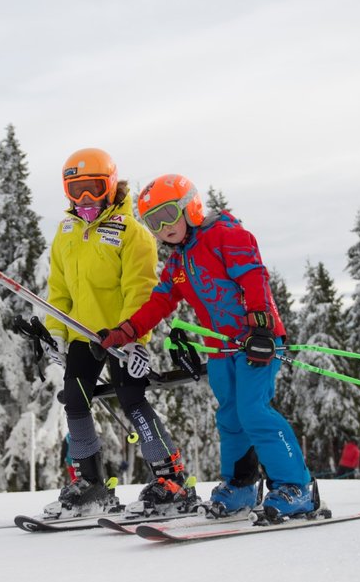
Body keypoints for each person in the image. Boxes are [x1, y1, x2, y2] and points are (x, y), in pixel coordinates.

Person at [99, 174, 320, 521]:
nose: (163, 227)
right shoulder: (176, 263)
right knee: (230, 418)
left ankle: (296, 486)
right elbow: (159, 302)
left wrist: (260, 326)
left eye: (168, 215)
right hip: (220, 349)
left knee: (253, 411)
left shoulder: (227, 236)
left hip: (255, 342)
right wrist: (126, 330)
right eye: (153, 222)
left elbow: (254, 277)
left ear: (191, 207)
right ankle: (241, 485)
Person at [44, 149, 201, 519]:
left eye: (93, 188)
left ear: (110, 186)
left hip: (120, 339)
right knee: (76, 401)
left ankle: (171, 478)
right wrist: (55, 333)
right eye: (76, 189)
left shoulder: (133, 233)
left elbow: (141, 291)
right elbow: (58, 291)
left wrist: (135, 340)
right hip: (83, 338)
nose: (84, 199)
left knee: (132, 400)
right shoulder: (65, 233)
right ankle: (91, 485)